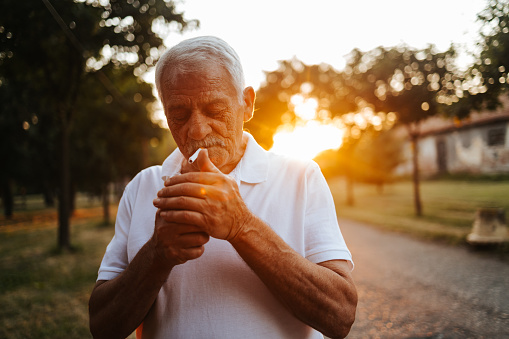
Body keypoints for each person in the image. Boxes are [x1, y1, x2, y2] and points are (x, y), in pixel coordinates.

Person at [88, 36, 357, 339]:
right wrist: (158, 255)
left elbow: (340, 316)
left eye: (215, 110)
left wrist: (242, 226)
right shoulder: (142, 187)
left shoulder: (301, 176)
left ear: (248, 104)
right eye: (179, 115)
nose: (198, 129)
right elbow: (102, 327)